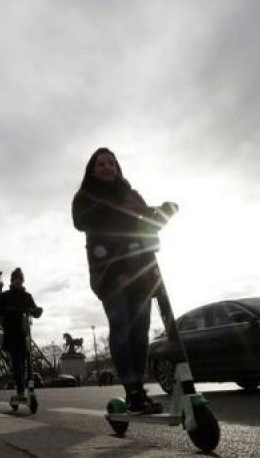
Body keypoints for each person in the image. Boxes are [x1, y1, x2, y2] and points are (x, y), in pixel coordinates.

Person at [72, 147, 176, 414]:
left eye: (111, 163)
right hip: (110, 271)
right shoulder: (85, 197)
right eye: (101, 164)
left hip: (140, 269)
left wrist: (164, 212)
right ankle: (131, 390)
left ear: (117, 168)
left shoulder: (132, 194)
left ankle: (138, 389)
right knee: (121, 324)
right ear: (92, 170)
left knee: (140, 330)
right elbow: (80, 221)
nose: (107, 167)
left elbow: (148, 223)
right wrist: (111, 208)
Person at [0, 268, 42, 398]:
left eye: (20, 279)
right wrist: (6, 309)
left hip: (24, 333)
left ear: (22, 280)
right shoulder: (5, 296)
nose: (18, 281)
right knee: (17, 362)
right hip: (11, 333)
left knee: (28, 361)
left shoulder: (27, 296)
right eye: (16, 279)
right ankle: (20, 389)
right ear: (12, 281)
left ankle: (28, 386)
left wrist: (37, 311)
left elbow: (34, 309)